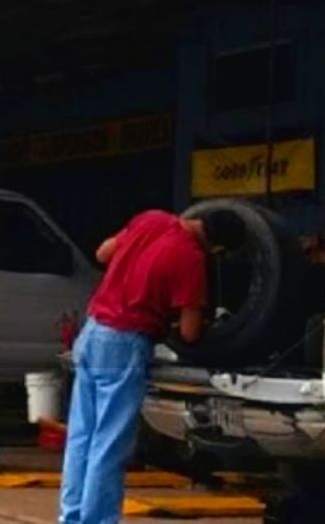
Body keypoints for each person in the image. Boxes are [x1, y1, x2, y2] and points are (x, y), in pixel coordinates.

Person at [59, 210, 208, 524]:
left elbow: (102, 253)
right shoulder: (191, 258)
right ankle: (97, 520)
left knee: (81, 437)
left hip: (92, 331)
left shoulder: (152, 219)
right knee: (109, 443)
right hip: (124, 343)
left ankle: (71, 517)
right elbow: (189, 332)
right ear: (214, 245)